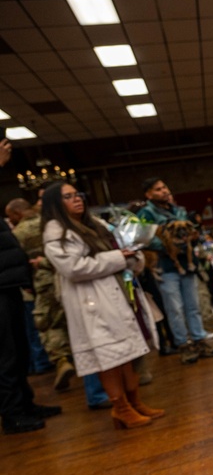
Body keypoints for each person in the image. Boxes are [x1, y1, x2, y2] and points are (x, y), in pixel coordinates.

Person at [41, 183, 163, 429]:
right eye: (68, 196)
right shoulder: (56, 233)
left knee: (126, 352)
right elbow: (73, 268)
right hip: (91, 301)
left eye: (78, 194)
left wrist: (132, 255)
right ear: (55, 203)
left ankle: (134, 402)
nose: (77, 199)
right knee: (108, 356)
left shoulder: (94, 224)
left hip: (116, 292)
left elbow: (118, 250)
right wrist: (119, 258)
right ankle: (120, 408)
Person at [0, 140, 62, 434]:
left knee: (20, 349)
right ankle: (13, 414)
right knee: (6, 354)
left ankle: (25, 403)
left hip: (9, 283)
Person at [137, 178, 213, 364]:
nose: (164, 191)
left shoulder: (179, 210)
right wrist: (171, 244)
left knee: (193, 306)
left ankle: (199, 341)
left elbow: (191, 232)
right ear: (149, 194)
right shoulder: (146, 214)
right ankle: (183, 346)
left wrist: (190, 238)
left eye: (165, 187)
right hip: (165, 267)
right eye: (158, 189)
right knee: (174, 309)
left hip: (187, 264)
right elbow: (144, 239)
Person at [5, 198, 76, 391]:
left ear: (16, 214)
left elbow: (18, 261)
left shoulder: (17, 233)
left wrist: (27, 284)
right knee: (73, 318)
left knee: (49, 323)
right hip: (68, 277)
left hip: (41, 282)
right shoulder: (52, 223)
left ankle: (61, 359)